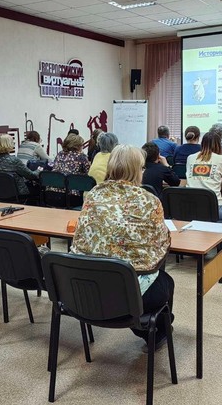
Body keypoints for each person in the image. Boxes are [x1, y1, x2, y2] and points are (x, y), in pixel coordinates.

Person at [71, 145, 174, 351]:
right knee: (165, 281)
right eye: (142, 168)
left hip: (84, 288)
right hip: (126, 292)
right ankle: (154, 331)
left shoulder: (92, 195)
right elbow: (162, 243)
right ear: (137, 170)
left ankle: (150, 326)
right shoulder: (149, 200)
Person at [185, 132, 222, 222]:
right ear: (219, 145)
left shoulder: (190, 158)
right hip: (214, 208)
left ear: (202, 143)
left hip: (190, 207)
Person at [0, 133, 39, 198]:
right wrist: (38, 170)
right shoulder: (14, 160)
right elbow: (31, 175)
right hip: (17, 194)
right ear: (9, 144)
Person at [51, 134, 91, 206]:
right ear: (77, 146)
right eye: (82, 145)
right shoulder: (81, 156)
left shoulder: (59, 154)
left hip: (52, 193)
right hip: (71, 195)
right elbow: (89, 174)